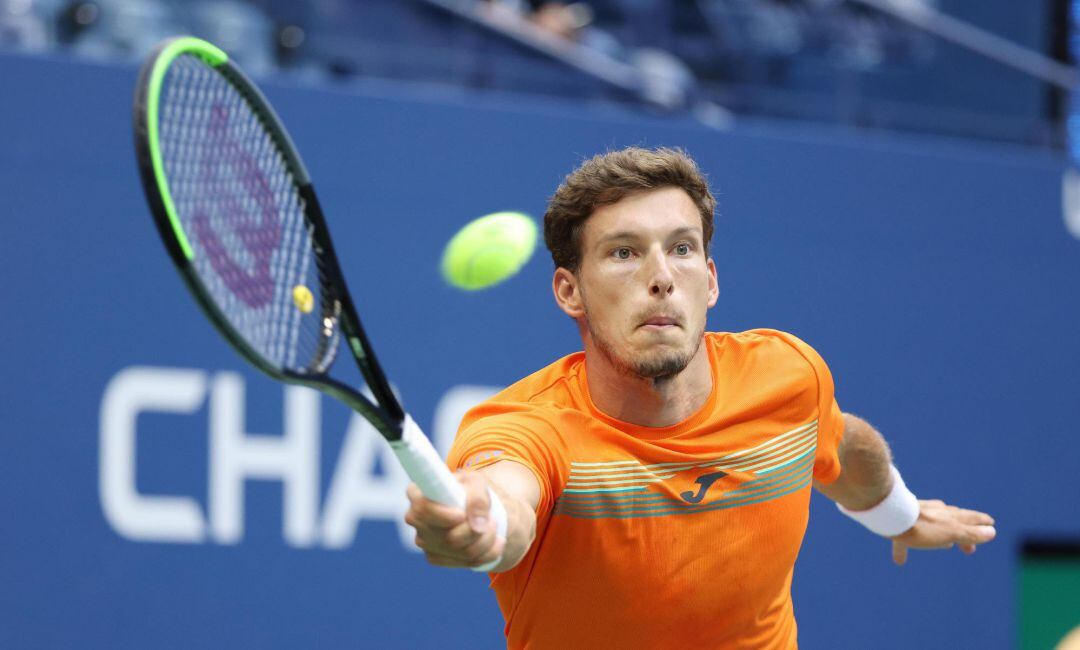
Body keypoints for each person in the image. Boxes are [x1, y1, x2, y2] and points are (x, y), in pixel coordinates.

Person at [403, 147, 996, 648]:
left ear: (710, 280)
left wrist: (900, 513)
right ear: (569, 290)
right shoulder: (527, 428)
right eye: (623, 253)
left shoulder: (788, 376)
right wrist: (484, 525)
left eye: (681, 249)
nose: (661, 276)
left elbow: (843, 444)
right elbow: (506, 498)